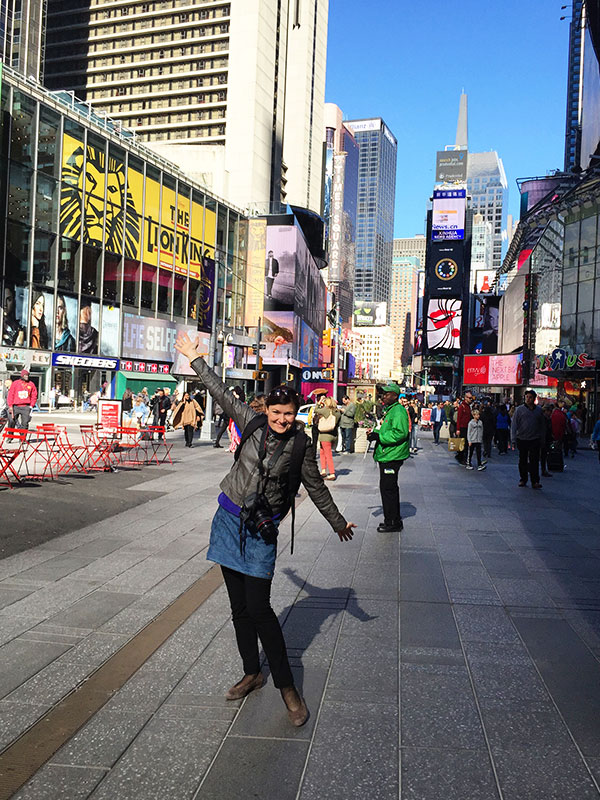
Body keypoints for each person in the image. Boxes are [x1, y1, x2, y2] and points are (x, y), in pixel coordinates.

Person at [174, 331, 355, 726]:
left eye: (288, 414)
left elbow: (315, 486)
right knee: (239, 609)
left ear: (297, 413)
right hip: (228, 520)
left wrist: (338, 522)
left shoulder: (301, 446)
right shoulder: (252, 422)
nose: (281, 420)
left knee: (260, 609)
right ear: (268, 411)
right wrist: (195, 359)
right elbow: (221, 393)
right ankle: (251, 672)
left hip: (261, 531)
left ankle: (287, 687)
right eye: (276, 414)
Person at [366, 383, 409, 533]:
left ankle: (393, 522)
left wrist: (380, 436)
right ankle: (391, 519)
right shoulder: (391, 410)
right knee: (387, 488)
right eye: (382, 394)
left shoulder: (398, 411)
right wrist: (375, 433)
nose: (383, 396)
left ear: (394, 395)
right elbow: (386, 428)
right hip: (387, 454)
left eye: (386, 394)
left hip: (392, 456)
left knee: (389, 489)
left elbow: (400, 433)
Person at [511, 389, 545, 489]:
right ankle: (523, 479)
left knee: (534, 461)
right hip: (522, 438)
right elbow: (514, 425)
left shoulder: (538, 410)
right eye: (527, 397)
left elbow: (542, 426)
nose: (528, 399)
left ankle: (535, 481)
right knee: (523, 460)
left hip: (535, 439)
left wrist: (542, 438)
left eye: (530, 397)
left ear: (534, 399)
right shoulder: (519, 410)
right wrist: (513, 439)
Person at [315, 396, 341, 481]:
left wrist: (319, 402)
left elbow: (316, 410)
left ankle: (332, 473)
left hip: (325, 436)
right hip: (333, 435)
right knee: (323, 452)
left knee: (327, 455)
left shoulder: (326, 410)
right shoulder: (337, 412)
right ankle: (323, 470)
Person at [455, 392, 474, 464]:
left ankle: (463, 457)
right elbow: (459, 418)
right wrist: (458, 429)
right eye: (469, 398)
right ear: (465, 398)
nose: (470, 399)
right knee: (462, 444)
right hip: (462, 427)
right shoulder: (462, 406)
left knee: (466, 444)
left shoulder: (469, 406)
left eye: (471, 398)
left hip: (468, 427)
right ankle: (461, 457)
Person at [540, 404, 554, 478]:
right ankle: (542, 469)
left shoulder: (548, 419)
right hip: (543, 439)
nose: (550, 413)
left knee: (544, 455)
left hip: (546, 439)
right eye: (549, 411)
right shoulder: (543, 419)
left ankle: (543, 469)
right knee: (541, 455)